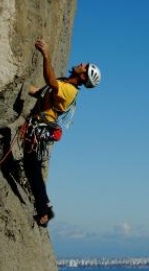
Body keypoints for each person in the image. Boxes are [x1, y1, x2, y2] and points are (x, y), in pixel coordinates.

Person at [23, 38, 101, 227]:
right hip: (38, 126)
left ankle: (45, 211)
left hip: (39, 130)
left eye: (85, 66)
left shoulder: (69, 90)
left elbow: (49, 81)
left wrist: (46, 55)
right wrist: (22, 87)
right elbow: (40, 92)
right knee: (31, 168)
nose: (81, 64)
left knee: (32, 169)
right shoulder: (64, 83)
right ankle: (45, 209)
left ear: (84, 77)